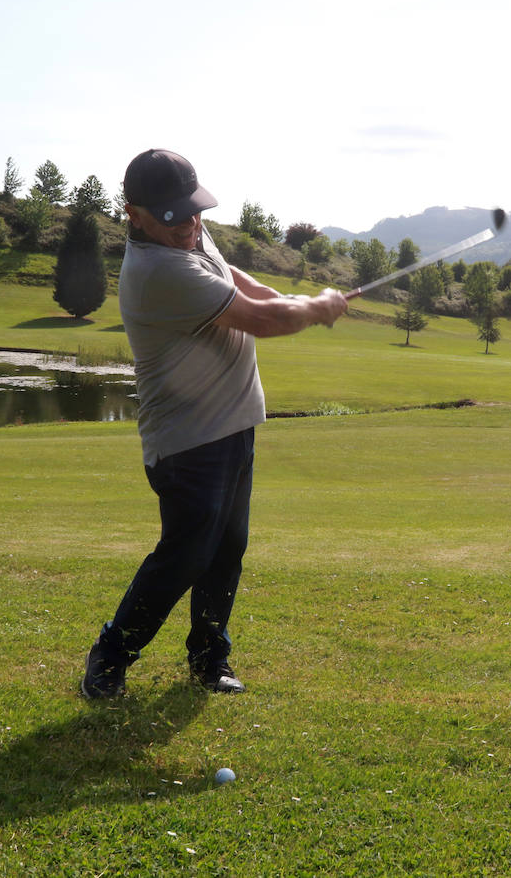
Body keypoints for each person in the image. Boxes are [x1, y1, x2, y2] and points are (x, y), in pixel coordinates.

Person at [80, 149, 347, 699]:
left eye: (195, 211)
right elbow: (260, 321)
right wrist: (314, 307)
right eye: (175, 217)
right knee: (186, 555)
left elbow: (234, 277)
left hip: (233, 428)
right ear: (134, 214)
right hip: (187, 443)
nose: (191, 225)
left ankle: (209, 658)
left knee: (227, 550)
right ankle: (109, 656)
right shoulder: (158, 271)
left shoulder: (185, 232)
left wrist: (288, 296)